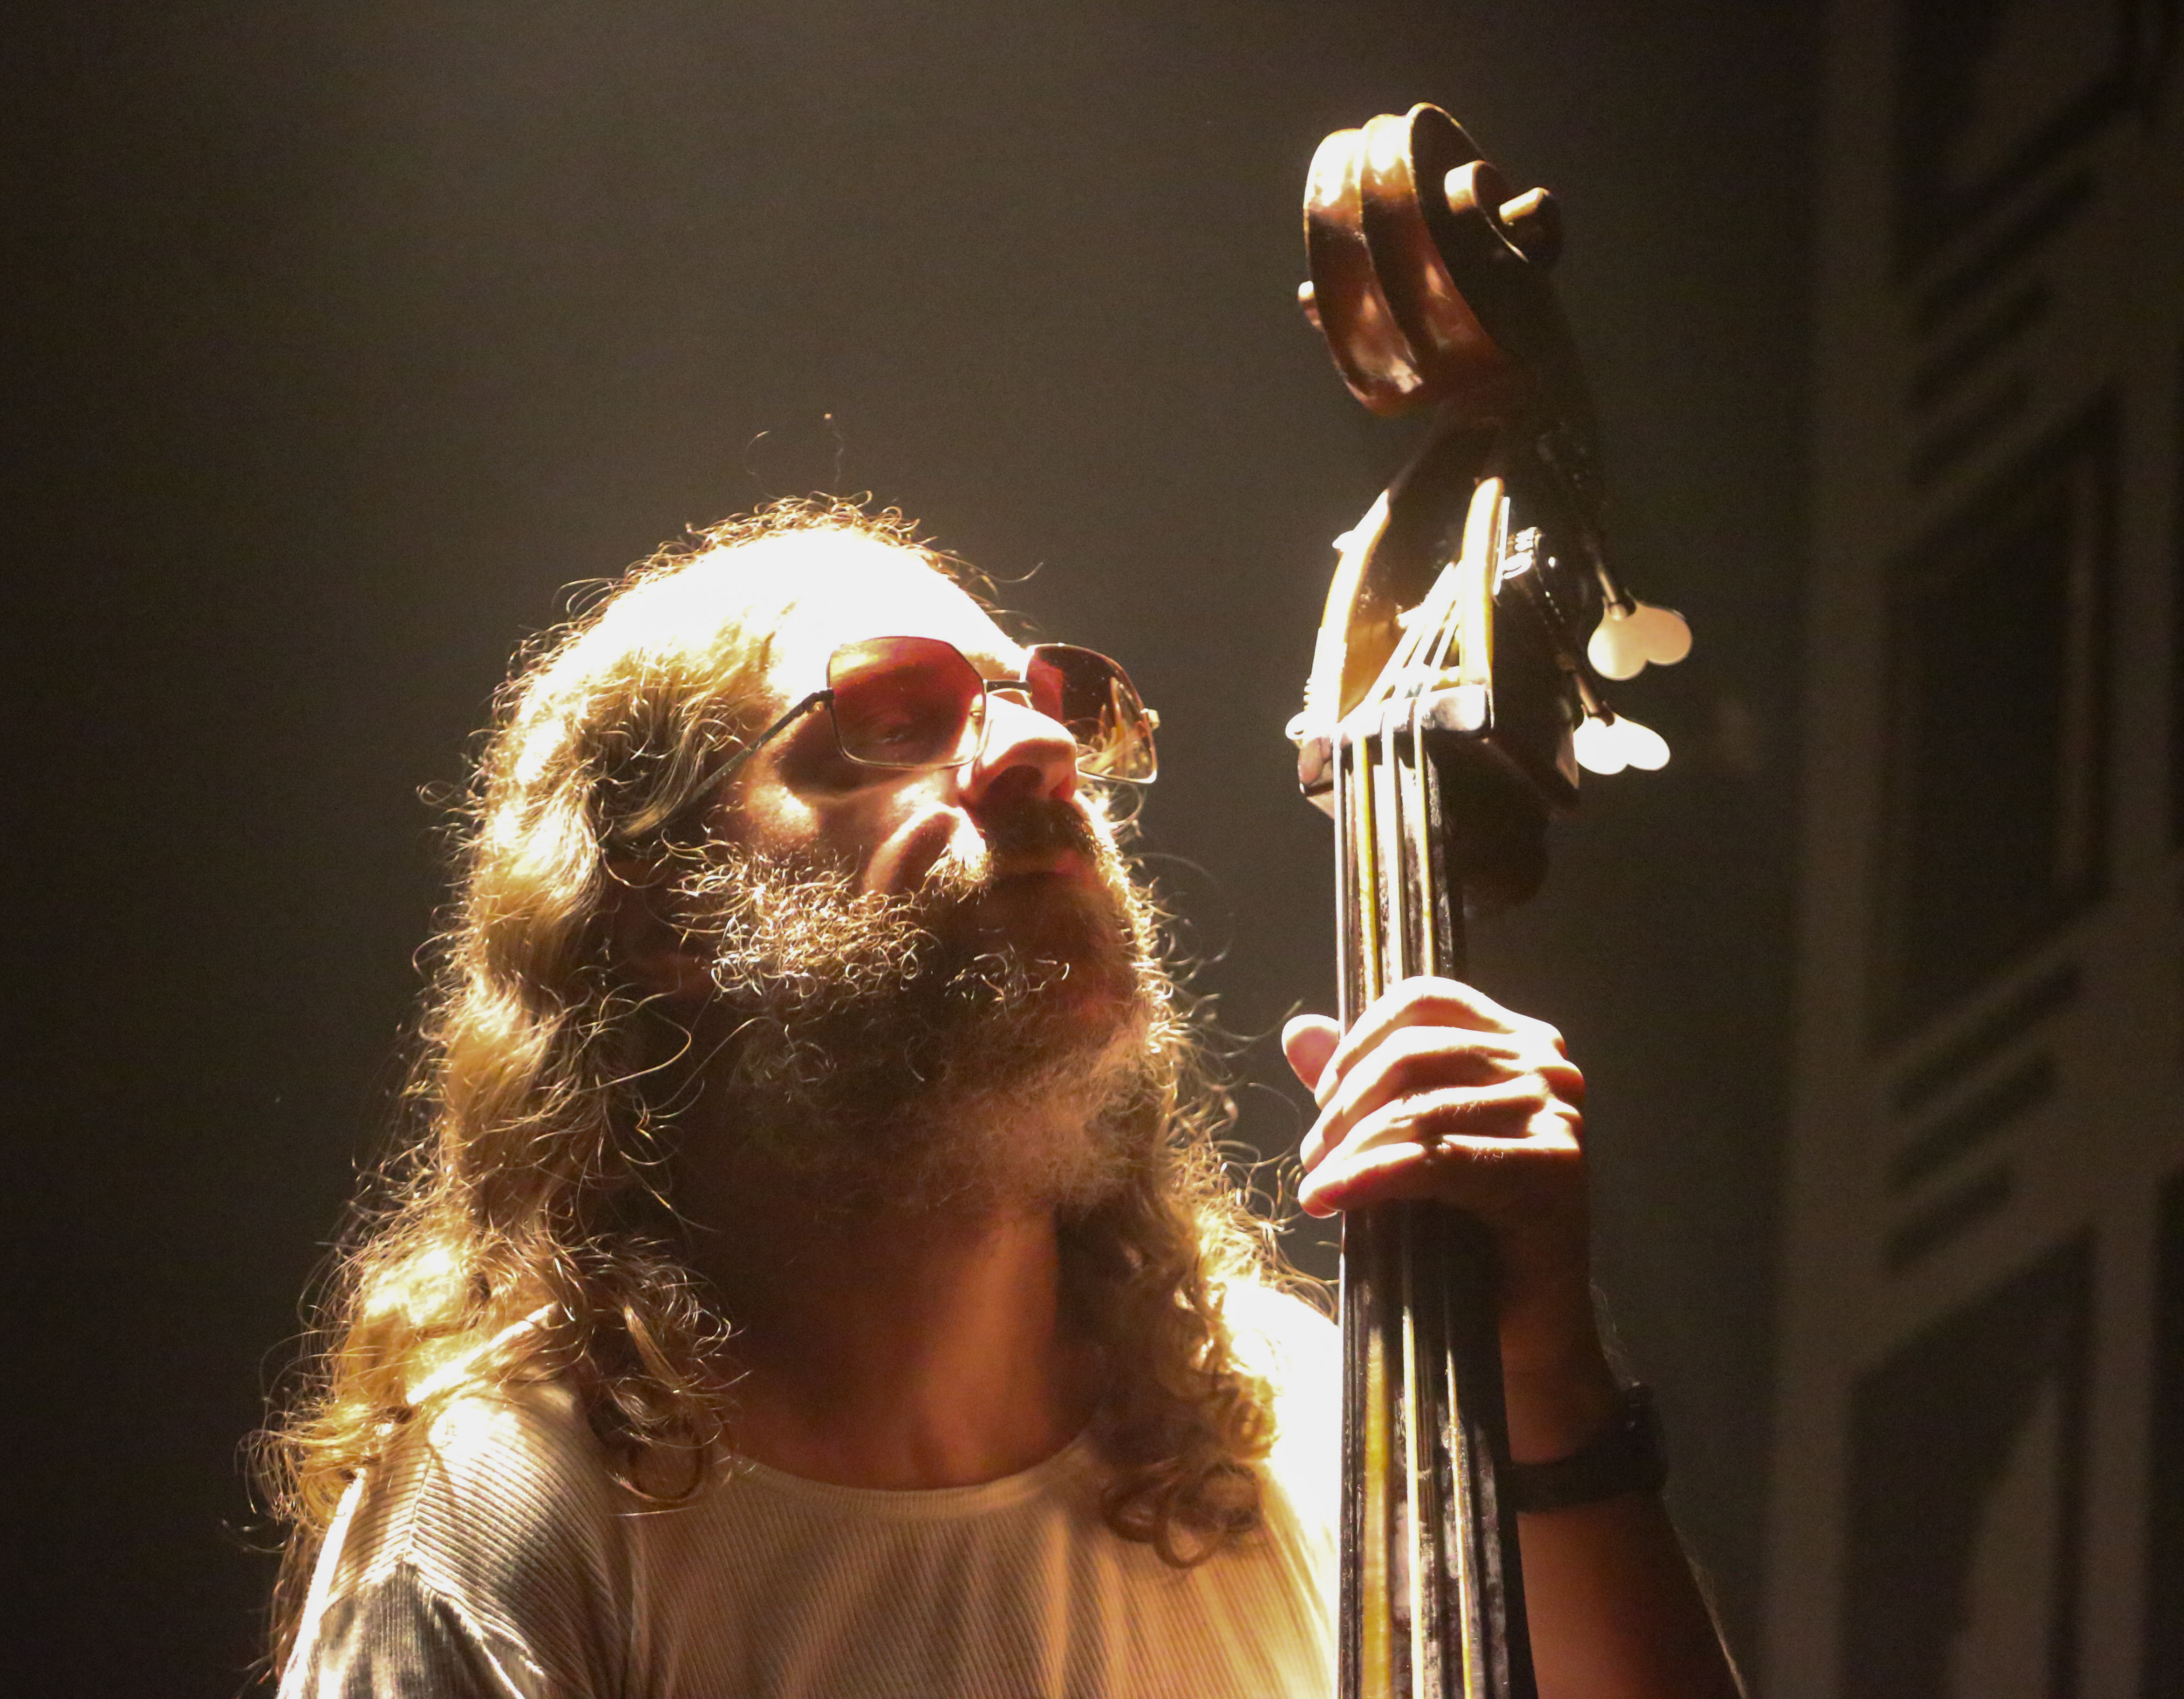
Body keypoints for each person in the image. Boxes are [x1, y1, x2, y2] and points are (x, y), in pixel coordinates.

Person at [259, 499, 1741, 1697]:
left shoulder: (1311, 1429)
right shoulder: (517, 1512)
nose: (1039, 751)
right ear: (664, 920)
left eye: (1061, 706)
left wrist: (1539, 1384)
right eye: (895, 715)